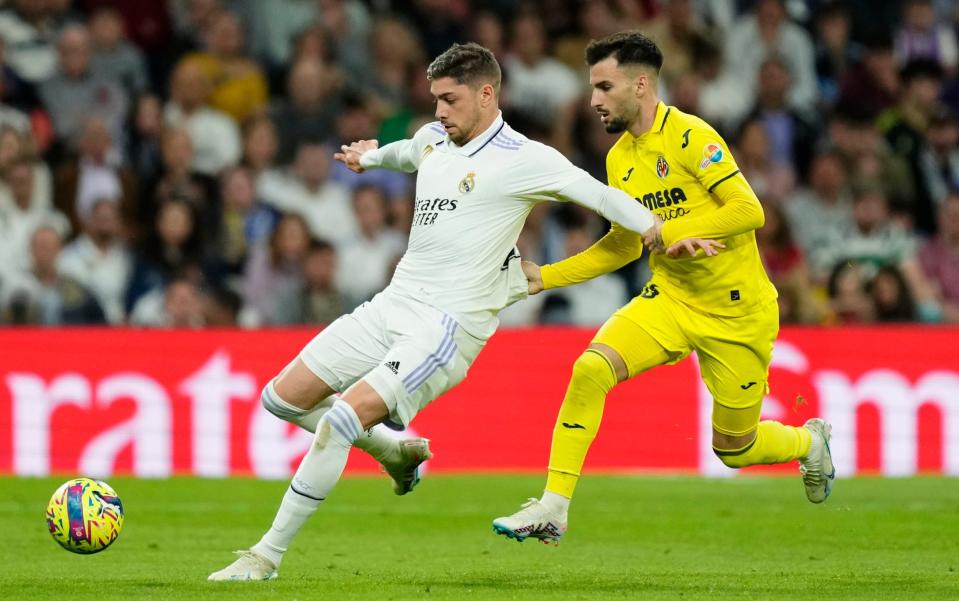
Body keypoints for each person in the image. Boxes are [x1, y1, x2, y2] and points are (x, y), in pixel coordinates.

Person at [208, 42, 685, 581]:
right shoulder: (435, 138)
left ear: (487, 95)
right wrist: (369, 158)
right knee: (281, 399)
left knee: (341, 420)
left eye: (450, 100)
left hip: (446, 326)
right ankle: (393, 451)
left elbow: (600, 198)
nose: (438, 112)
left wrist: (657, 229)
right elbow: (405, 153)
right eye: (435, 99)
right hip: (391, 304)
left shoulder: (526, 159)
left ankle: (264, 558)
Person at [492, 31, 836, 546]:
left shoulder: (692, 136)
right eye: (592, 89)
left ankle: (808, 442)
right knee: (590, 369)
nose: (593, 101)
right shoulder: (619, 159)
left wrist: (671, 231)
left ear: (640, 84)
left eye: (604, 87)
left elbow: (750, 210)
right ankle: (554, 508)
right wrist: (547, 276)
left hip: (736, 313)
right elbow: (624, 246)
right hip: (671, 300)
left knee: (734, 449)